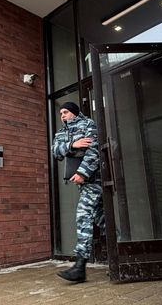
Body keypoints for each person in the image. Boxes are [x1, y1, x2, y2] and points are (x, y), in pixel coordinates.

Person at [51, 101, 104, 283]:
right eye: (60, 113)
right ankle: (125, 252)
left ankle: (80, 267)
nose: (62, 116)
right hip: (82, 182)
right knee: (101, 219)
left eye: (65, 112)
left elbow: (94, 150)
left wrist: (82, 172)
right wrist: (73, 144)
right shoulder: (61, 132)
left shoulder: (89, 124)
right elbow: (55, 152)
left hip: (94, 179)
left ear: (74, 112)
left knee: (83, 215)